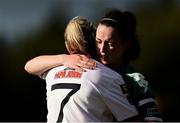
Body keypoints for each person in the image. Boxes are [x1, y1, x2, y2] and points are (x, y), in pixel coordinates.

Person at [25, 9, 163, 122]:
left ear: (126, 45)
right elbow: (29, 66)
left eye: (110, 43)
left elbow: (153, 120)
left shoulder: (135, 80)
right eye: (99, 41)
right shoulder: (83, 66)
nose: (102, 49)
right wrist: (63, 59)